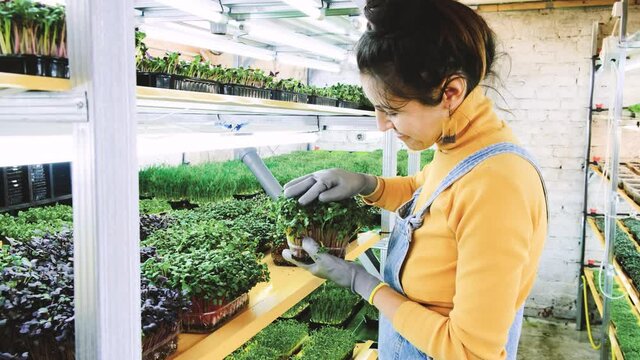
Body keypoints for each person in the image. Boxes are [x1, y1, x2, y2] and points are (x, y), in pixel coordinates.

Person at [281, 0, 548, 359]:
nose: (381, 125)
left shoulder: (498, 187)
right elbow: (430, 191)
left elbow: (469, 351)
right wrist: (366, 184)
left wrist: (363, 283)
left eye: (391, 110)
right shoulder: (461, 145)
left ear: (450, 92)